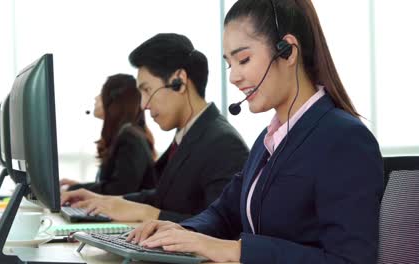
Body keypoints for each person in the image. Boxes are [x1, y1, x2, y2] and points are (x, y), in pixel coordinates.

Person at [126, 1, 384, 263]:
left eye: (243, 59)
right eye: (229, 64)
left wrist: (236, 250)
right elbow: (224, 213)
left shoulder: (343, 139)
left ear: (288, 51)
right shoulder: (268, 140)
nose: (233, 77)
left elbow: (352, 260)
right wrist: (183, 232)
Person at [61, 33, 249, 223]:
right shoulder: (188, 135)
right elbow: (161, 197)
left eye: (147, 90)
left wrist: (147, 214)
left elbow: (224, 231)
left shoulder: (223, 144)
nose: (143, 105)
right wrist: (105, 201)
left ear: (179, 81)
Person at [60, 73, 157, 195]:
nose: (96, 98)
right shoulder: (126, 134)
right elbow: (114, 184)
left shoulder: (129, 138)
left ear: (115, 100)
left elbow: (119, 190)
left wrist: (75, 190)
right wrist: (78, 187)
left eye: (101, 93)